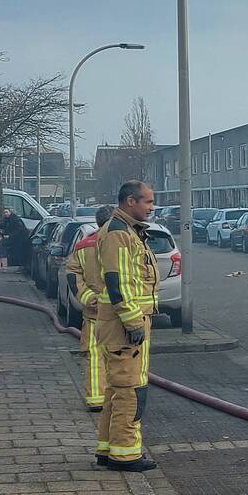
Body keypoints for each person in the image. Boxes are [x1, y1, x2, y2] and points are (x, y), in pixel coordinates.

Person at [95, 181, 159, 472]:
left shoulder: (128, 231)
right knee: (130, 390)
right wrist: (133, 320)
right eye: (148, 202)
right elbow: (117, 282)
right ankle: (126, 455)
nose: (152, 207)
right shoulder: (120, 234)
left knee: (118, 389)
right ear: (130, 201)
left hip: (125, 322)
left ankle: (109, 449)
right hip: (125, 325)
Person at [65, 205, 115, 413]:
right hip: (122, 315)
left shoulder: (83, 246)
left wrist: (87, 298)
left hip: (94, 313)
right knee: (123, 357)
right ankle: (120, 399)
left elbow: (72, 274)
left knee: (95, 356)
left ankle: (96, 398)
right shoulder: (128, 243)